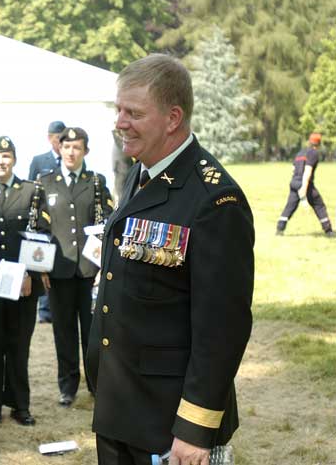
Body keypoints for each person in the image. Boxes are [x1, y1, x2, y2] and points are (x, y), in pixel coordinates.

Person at [85, 54, 254, 465]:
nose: (120, 122)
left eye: (134, 113)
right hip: (119, 405)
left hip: (169, 423)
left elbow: (222, 330)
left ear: (173, 118)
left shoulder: (214, 200)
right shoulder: (141, 173)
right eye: (118, 110)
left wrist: (195, 431)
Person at [0, 136, 50, 427]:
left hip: (23, 284)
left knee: (18, 347)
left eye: (6, 156)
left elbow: (42, 235)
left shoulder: (32, 191)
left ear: (14, 159)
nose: (1, 162)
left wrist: (30, 272)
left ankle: (20, 405)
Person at [38, 127, 113, 407]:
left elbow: (106, 223)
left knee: (93, 332)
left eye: (77, 148)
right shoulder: (45, 182)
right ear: (59, 149)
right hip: (58, 271)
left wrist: (102, 266)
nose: (71, 152)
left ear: (86, 151)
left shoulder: (95, 181)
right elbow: (41, 229)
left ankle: (97, 384)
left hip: (89, 271)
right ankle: (67, 387)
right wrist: (41, 267)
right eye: (67, 147)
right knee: (64, 332)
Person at [28, 120, 66, 324]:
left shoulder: (71, 159)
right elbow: (30, 188)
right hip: (44, 218)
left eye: (62, 137)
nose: (59, 141)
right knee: (42, 261)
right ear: (49, 138)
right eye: (55, 137)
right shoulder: (39, 160)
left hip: (64, 220)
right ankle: (44, 310)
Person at [276, 132, 333, 237]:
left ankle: (279, 229)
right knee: (319, 205)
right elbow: (308, 171)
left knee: (290, 206)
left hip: (294, 182)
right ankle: (328, 230)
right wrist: (303, 188)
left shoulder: (300, 153)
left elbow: (293, 168)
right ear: (318, 143)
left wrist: (296, 183)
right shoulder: (313, 153)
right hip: (304, 183)